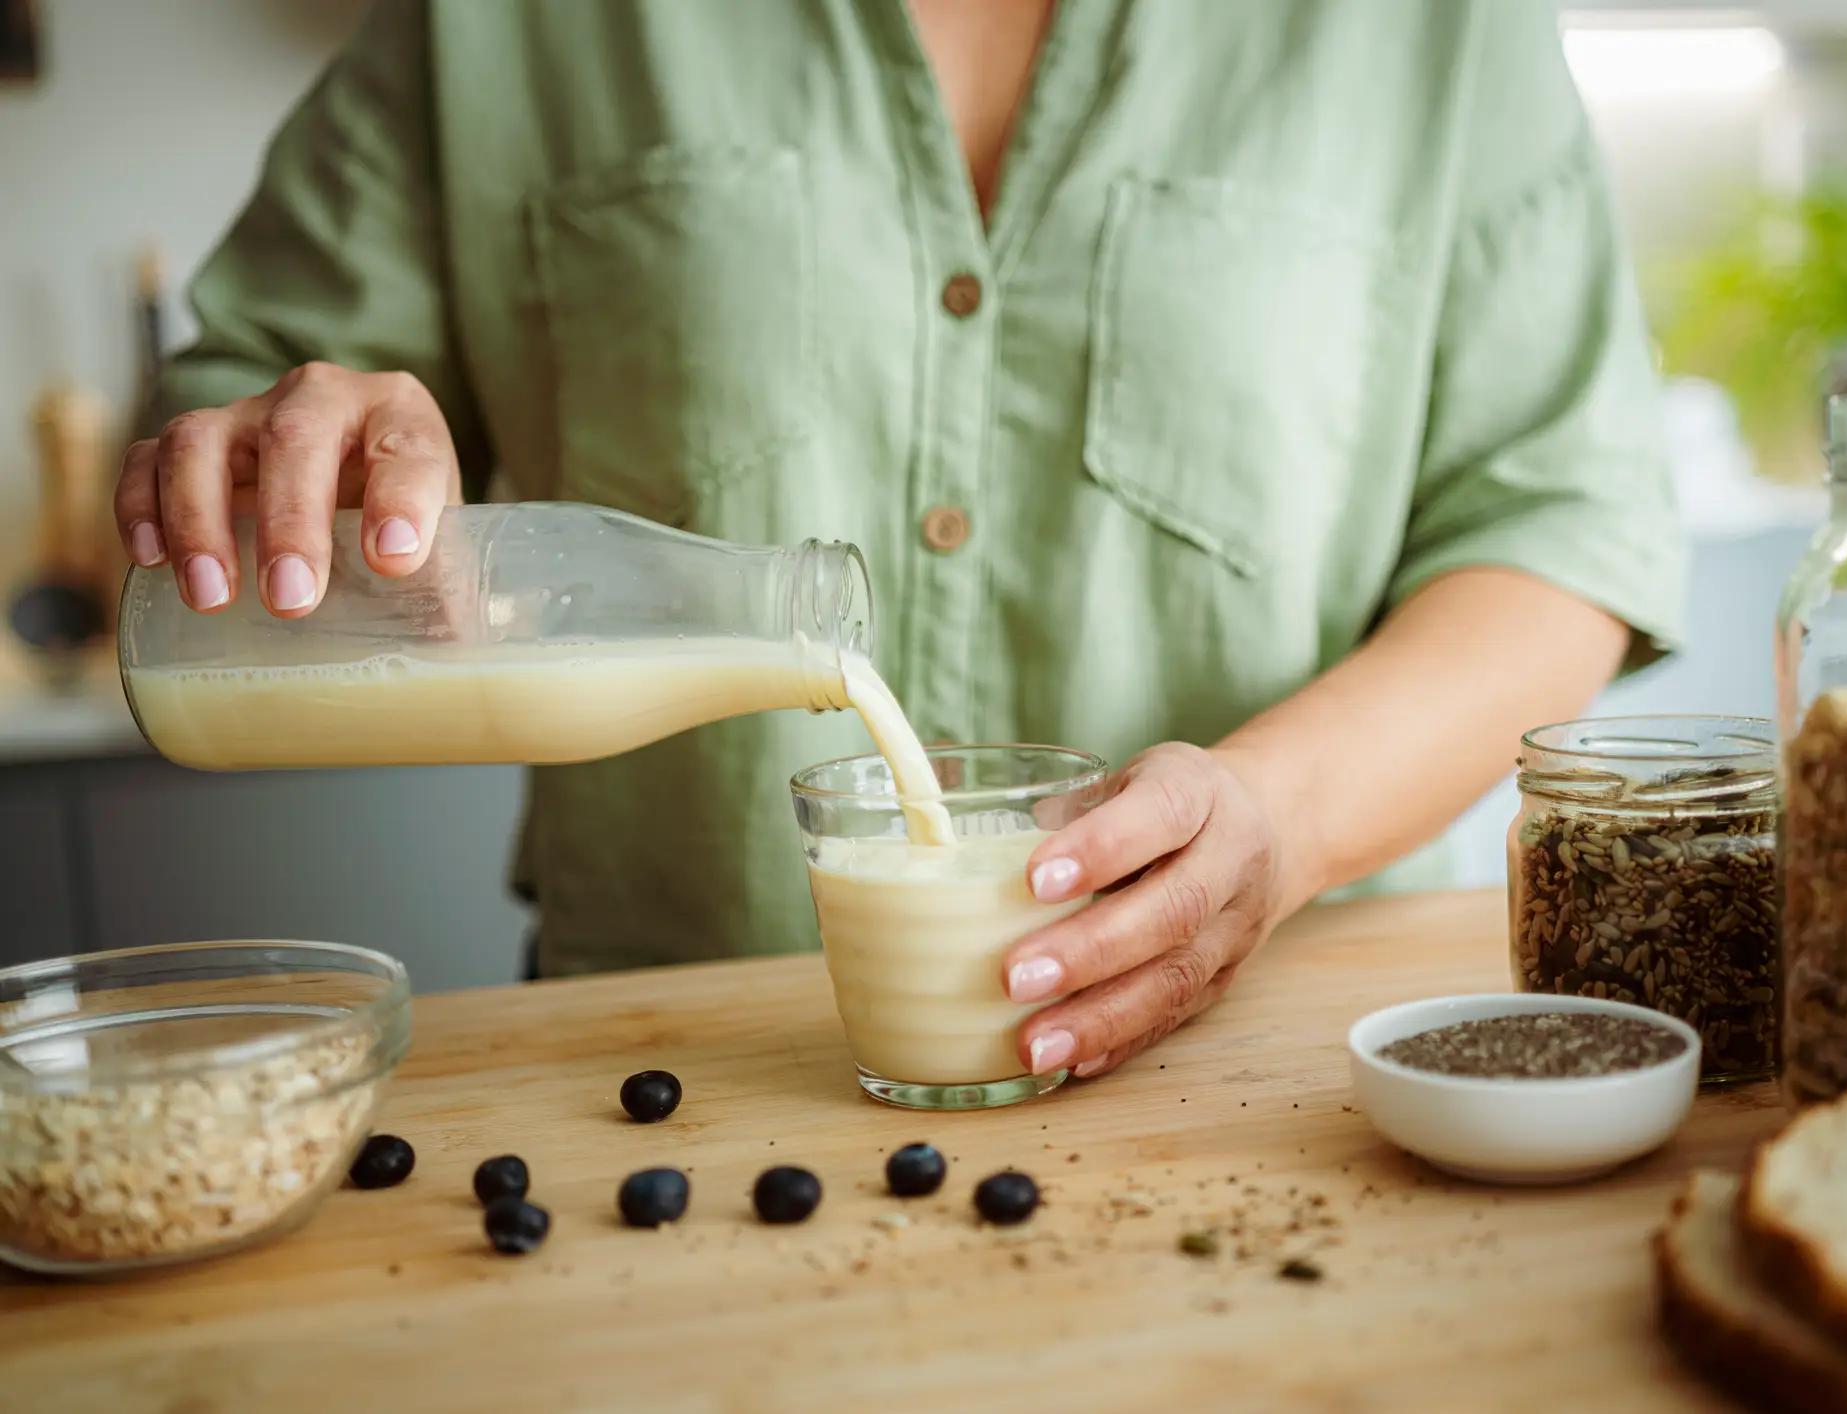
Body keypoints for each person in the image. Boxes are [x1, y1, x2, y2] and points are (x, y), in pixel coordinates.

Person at [115, 0, 1682, 1081]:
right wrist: (320, 485)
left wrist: (1282, 821)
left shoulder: (1426, 34)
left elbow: (1558, 524)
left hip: (1280, 1072)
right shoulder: (502, 26)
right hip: (679, 1087)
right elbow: (256, 414)